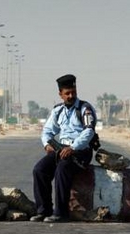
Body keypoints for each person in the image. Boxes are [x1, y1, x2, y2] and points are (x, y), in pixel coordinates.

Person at [30, 74, 97, 223]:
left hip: (80, 152)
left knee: (62, 168)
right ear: (60, 94)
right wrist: (47, 144)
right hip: (61, 150)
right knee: (39, 170)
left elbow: (89, 131)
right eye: (67, 93)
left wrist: (73, 147)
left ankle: (61, 212)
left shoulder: (84, 108)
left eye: (73, 92)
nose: (71, 96)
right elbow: (47, 131)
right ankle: (43, 210)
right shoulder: (58, 110)